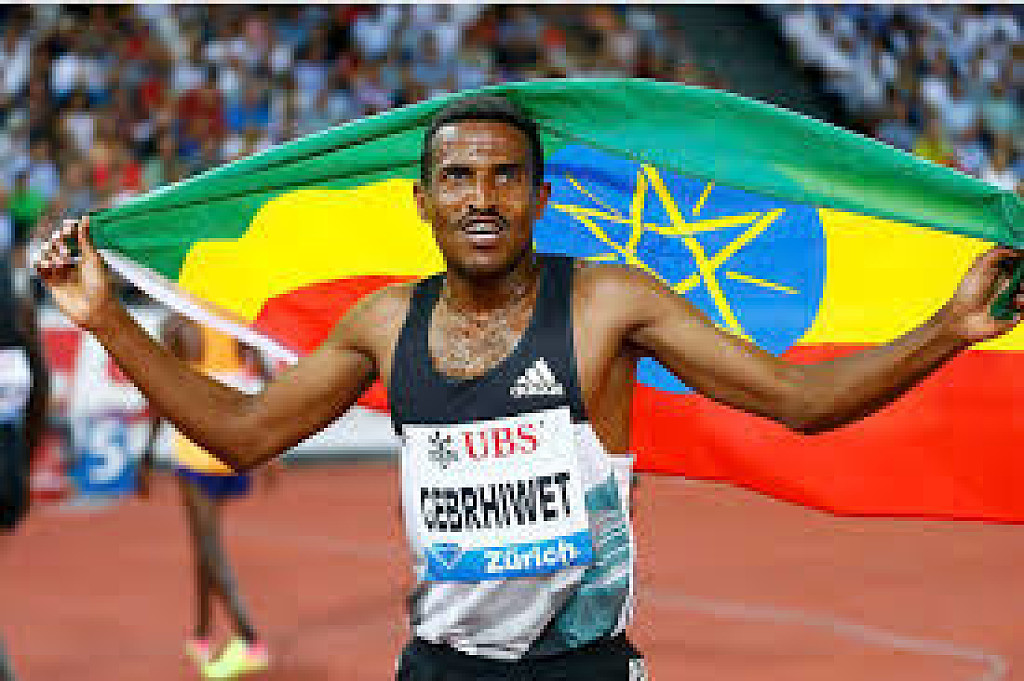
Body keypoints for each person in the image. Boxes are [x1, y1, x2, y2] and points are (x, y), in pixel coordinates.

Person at [35, 95, 1024, 680]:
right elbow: (246, 431)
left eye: (506, 177)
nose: (482, 197)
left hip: (581, 665)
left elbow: (798, 402)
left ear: (540, 198)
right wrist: (106, 318)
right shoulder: (384, 322)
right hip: (439, 665)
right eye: (458, 178)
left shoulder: (607, 305)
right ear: (422, 201)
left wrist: (949, 328)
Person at [136, 313, 273, 680]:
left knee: (209, 546)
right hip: (234, 444)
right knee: (203, 544)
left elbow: (161, 395)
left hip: (196, 449)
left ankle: (250, 639)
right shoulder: (234, 319)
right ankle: (201, 633)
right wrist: (270, 447)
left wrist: (146, 456)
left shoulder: (175, 326)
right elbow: (267, 380)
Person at [0, 257, 50, 681]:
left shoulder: (20, 309)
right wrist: (25, 464)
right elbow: (40, 390)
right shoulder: (20, 309)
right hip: (10, 465)